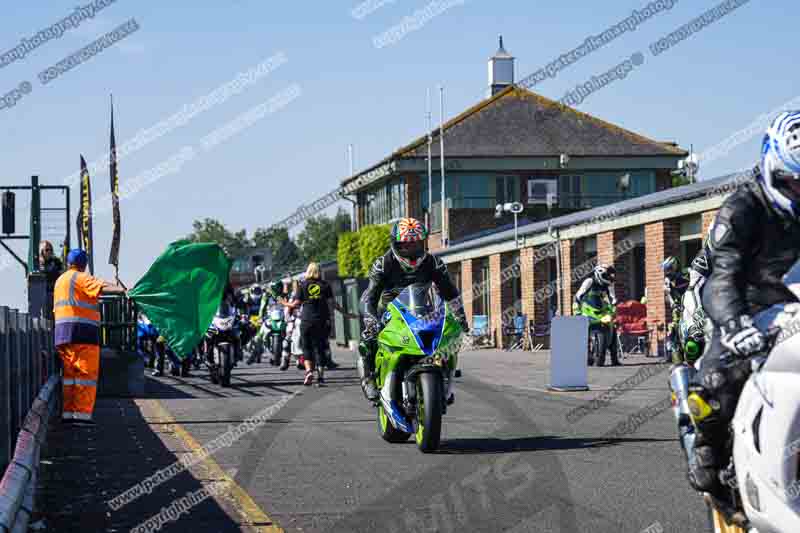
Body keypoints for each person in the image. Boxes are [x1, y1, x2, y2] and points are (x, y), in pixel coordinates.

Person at [686, 111, 800, 502]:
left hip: (795, 309)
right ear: (772, 166)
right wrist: (734, 325)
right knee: (715, 387)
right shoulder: (742, 208)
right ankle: (707, 449)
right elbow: (722, 276)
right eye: (793, 182)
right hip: (746, 308)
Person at [359, 217, 469, 402]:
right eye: (406, 246)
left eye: (416, 245)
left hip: (425, 310)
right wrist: (370, 320)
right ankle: (368, 378)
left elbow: (450, 292)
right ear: (395, 244)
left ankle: (446, 377)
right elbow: (368, 296)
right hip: (390, 312)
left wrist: (460, 316)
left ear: (424, 243)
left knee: (452, 332)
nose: (411, 251)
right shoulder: (383, 263)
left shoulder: (434, 262)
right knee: (367, 339)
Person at [53, 249, 126, 425]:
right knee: (86, 375)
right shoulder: (80, 277)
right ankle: (82, 416)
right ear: (84, 264)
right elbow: (103, 287)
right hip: (82, 333)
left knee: (70, 377)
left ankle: (68, 414)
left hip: (63, 334)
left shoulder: (60, 280)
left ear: (67, 262)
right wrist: (124, 289)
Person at [286, 263, 353, 386]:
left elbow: (296, 304)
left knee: (306, 347)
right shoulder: (325, 285)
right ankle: (321, 377)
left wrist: (284, 303)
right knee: (320, 348)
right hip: (322, 320)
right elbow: (333, 304)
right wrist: (346, 314)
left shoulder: (303, 285)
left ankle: (308, 372)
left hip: (306, 320)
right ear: (319, 272)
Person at [574, 264, 620, 366]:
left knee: (613, 326)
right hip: (587, 308)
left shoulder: (608, 285)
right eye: (607, 275)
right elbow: (578, 295)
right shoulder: (589, 281)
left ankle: (615, 359)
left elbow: (612, 297)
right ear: (600, 274)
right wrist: (576, 308)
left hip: (601, 309)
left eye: (611, 276)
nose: (610, 278)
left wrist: (614, 306)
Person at [662, 256, 690, 363]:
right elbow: (669, 295)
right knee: (673, 329)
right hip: (678, 306)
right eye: (666, 269)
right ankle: (671, 355)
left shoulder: (687, 273)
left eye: (669, 269)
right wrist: (673, 304)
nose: (667, 272)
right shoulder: (667, 280)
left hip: (691, 303)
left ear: (675, 267)